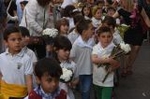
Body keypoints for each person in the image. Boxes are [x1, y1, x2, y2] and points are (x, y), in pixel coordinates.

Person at [113, 0, 146, 77]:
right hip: (127, 31)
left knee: (136, 48)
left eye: (122, 1)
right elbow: (111, 18)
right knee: (127, 50)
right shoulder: (121, 10)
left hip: (138, 31)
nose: (121, 2)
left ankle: (129, 66)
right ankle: (124, 68)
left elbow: (145, 18)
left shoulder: (139, 8)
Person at [0, 26, 33, 99]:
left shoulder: (26, 59)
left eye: (19, 39)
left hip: (20, 95)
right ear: (6, 42)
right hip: (3, 93)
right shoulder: (1, 57)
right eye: (13, 40)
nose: (17, 42)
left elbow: (29, 80)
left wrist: (30, 96)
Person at [92, 26, 120, 99]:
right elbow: (94, 59)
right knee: (99, 97)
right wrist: (108, 60)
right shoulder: (96, 48)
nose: (106, 39)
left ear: (112, 37)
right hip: (97, 79)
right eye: (103, 37)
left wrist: (113, 67)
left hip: (108, 81)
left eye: (109, 36)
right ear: (98, 38)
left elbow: (118, 64)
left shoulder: (114, 48)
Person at [70, 19, 94, 99]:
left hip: (89, 71)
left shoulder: (92, 41)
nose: (93, 31)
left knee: (86, 90)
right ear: (84, 32)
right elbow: (72, 58)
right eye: (91, 29)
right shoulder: (76, 44)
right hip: (79, 71)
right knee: (81, 89)